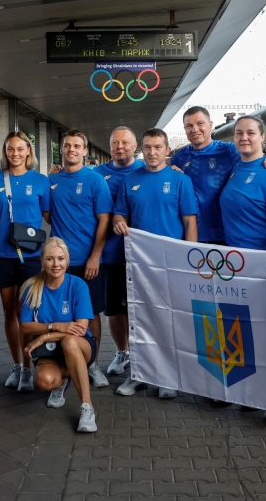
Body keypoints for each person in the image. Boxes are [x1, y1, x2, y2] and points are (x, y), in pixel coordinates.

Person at [112, 128, 198, 398]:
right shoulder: (130, 181)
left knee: (167, 319)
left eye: (157, 147)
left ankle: (167, 377)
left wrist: (189, 259)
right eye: (147, 147)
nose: (152, 152)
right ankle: (139, 374)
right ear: (142, 149)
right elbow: (118, 216)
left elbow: (190, 222)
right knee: (140, 319)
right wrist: (119, 223)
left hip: (170, 262)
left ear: (167, 150)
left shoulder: (180, 181)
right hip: (138, 262)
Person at [0, 131, 51, 393]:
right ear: (5, 152)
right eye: (10, 149)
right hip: (3, 253)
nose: (15, 154)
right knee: (9, 312)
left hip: (31, 256)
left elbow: (49, 215)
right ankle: (17, 364)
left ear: (28, 151)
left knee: (29, 313)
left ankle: (30, 365)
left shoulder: (41, 181)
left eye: (20, 149)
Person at [49, 130, 113, 391]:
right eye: (67, 145)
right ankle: (65, 365)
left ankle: (93, 364)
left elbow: (105, 220)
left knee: (91, 312)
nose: (72, 149)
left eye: (77, 146)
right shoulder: (51, 180)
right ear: (61, 149)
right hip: (60, 262)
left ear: (86, 151)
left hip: (88, 260)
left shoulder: (96, 181)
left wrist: (95, 256)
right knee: (60, 312)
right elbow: (47, 215)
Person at [171, 107, 266, 245]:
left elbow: (253, 158)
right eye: (189, 126)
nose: (195, 129)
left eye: (200, 124)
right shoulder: (179, 158)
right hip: (192, 233)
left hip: (226, 234)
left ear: (210, 125)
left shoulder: (229, 150)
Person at [21, 237, 98, 431]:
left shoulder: (78, 285)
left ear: (67, 260)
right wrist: (56, 326)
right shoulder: (32, 287)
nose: (56, 264)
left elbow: (80, 329)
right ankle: (63, 380)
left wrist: (45, 336)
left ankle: (87, 408)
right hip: (50, 352)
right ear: (42, 261)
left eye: (61, 259)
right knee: (44, 381)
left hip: (81, 346)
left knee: (70, 342)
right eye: (50, 259)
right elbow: (25, 327)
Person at [92, 127, 145, 381]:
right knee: (114, 310)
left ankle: (143, 358)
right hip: (110, 255)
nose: (120, 147)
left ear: (135, 145)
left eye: (125, 142)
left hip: (143, 256)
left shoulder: (148, 170)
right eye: (115, 143)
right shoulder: (98, 174)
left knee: (141, 309)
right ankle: (122, 352)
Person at [218, 114, 266, 250]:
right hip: (235, 258)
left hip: (262, 258)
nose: (244, 138)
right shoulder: (236, 169)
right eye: (239, 133)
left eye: (251, 133)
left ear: (262, 136)